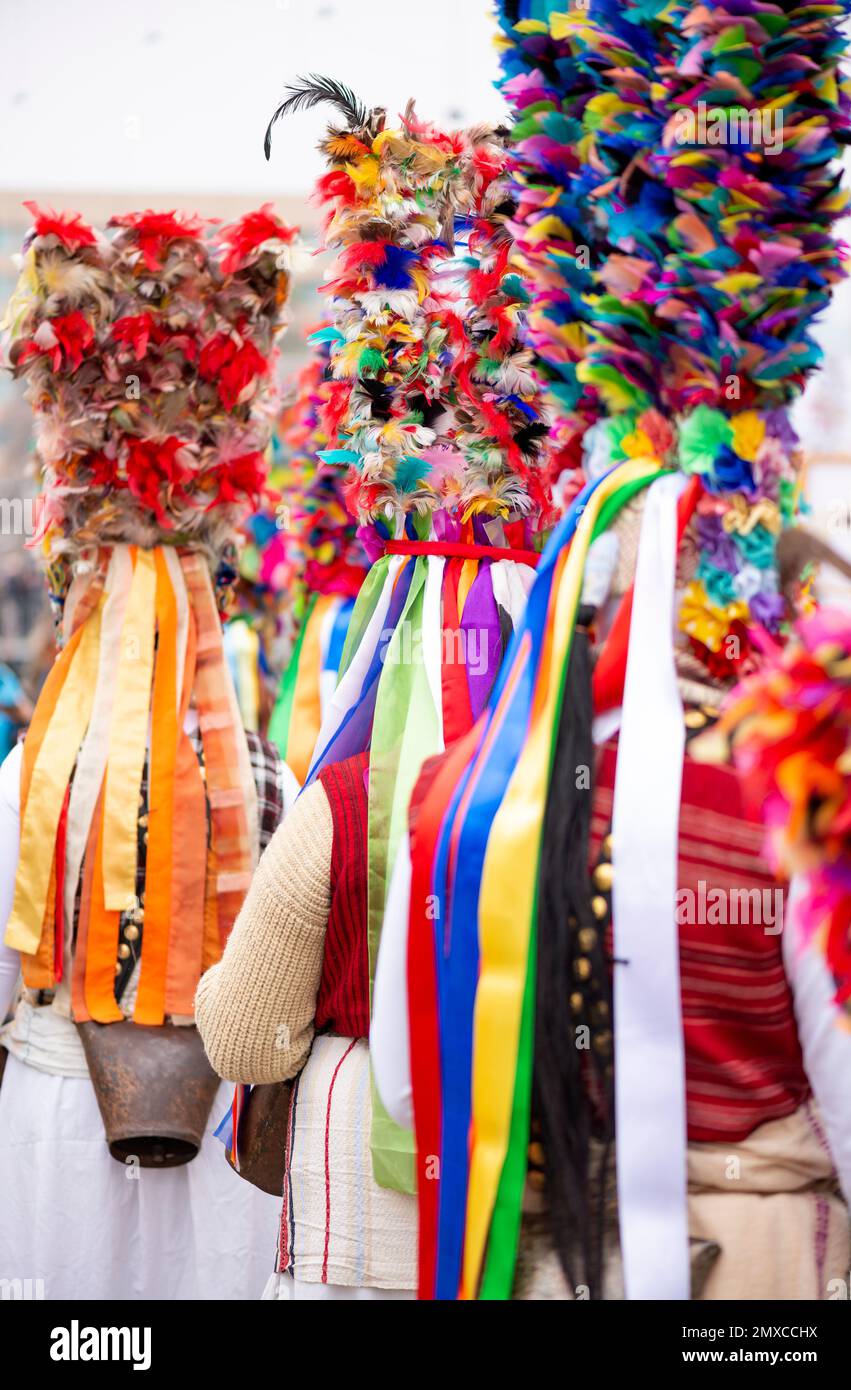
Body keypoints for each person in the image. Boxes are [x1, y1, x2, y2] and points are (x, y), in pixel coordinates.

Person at [369, 0, 851, 1300]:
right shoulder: (804, 789)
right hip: (759, 1274)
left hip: (537, 1261)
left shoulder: (464, 787)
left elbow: (393, 1075)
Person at [195, 79, 554, 1299]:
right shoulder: (597, 782)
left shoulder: (343, 799)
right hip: (543, 1195)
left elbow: (243, 1036)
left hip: (364, 1175)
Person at [0, 201, 295, 1300]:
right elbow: (280, 996)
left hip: (50, 1120)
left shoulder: (26, 777)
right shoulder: (276, 777)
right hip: (214, 1133)